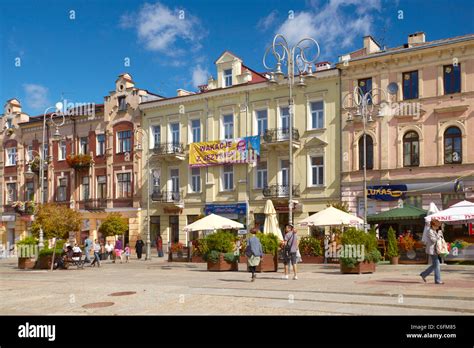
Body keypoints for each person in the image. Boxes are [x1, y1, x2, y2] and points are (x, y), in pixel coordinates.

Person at [420, 218, 444, 284]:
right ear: (432, 225)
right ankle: (438, 280)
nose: (437, 227)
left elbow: (439, 240)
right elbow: (434, 240)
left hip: (436, 250)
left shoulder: (435, 231)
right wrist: (439, 235)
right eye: (436, 226)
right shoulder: (429, 231)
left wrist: (440, 235)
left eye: (438, 226)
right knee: (437, 265)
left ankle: (424, 274)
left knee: (435, 265)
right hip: (432, 250)